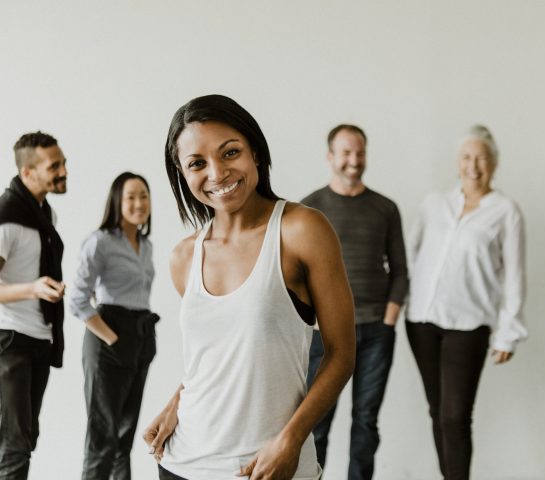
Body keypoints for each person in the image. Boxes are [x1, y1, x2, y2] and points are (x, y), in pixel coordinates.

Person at [142, 94, 355, 480]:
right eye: (197, 163)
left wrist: (290, 441)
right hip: (182, 463)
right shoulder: (184, 257)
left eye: (229, 152)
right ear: (182, 173)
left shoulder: (302, 231)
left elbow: (341, 353)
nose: (217, 173)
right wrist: (176, 401)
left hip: (267, 467)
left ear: (255, 151)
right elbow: (217, 358)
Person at [406, 125, 527, 480]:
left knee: (455, 417)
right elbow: (410, 255)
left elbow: (515, 276)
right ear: (457, 162)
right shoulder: (434, 204)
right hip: (422, 321)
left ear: (495, 163)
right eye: (467, 157)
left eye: (482, 158)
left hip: (469, 325)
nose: (474, 165)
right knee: (437, 411)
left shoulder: (506, 211)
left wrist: (509, 333)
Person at [302, 124, 408, 480]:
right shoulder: (310, 209)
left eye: (360, 153)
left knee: (365, 422)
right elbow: (295, 274)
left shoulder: (385, 208)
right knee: (316, 422)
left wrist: (389, 320)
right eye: (346, 153)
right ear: (330, 157)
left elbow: (401, 272)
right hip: (325, 335)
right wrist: (311, 320)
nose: (354, 160)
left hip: (377, 332)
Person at [70, 172, 158, 480]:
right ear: (117, 201)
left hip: (141, 337)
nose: (138, 203)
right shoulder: (100, 242)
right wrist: (113, 340)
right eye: (131, 196)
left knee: (125, 437)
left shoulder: (145, 246)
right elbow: (77, 301)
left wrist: (137, 342)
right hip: (109, 338)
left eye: (143, 196)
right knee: (103, 437)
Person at [0, 131, 67, 479]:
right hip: (10, 339)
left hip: (39, 337)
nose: (64, 170)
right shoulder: (6, 216)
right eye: (54, 166)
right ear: (28, 173)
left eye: (63, 162)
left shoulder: (45, 215)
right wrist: (33, 289)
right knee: (13, 444)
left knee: (25, 439)